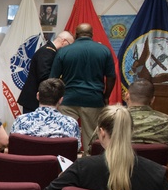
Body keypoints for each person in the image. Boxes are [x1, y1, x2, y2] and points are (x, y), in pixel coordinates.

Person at [41, 105, 168, 190]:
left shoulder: (82, 168)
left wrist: (64, 177)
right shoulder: (157, 174)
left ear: (101, 133)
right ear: (131, 132)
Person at [49, 23, 116, 154]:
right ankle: (89, 168)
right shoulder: (104, 50)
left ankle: (65, 167)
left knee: (65, 137)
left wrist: (56, 98)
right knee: (91, 139)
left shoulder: (63, 51)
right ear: (92, 34)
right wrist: (106, 95)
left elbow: (53, 78)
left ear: (75, 34)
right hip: (93, 100)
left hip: (68, 99)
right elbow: (111, 77)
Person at [10, 79, 81, 148]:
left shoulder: (20, 121)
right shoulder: (71, 123)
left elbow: (13, 146)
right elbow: (76, 149)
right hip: (57, 160)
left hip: (28, 160)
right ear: (61, 100)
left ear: (38, 96)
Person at [18, 31, 73, 114]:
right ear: (63, 41)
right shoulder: (47, 52)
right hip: (34, 101)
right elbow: (44, 77)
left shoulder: (49, 51)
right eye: (69, 45)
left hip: (37, 99)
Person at [126, 79, 168, 158]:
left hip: (116, 168)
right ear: (153, 100)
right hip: (155, 169)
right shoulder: (167, 122)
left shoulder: (111, 118)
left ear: (127, 96)